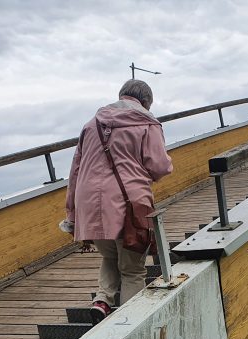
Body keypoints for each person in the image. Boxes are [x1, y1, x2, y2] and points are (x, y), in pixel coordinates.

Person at [62, 80, 173, 321]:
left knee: (110, 256)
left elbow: (75, 171)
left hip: (88, 202)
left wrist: (72, 214)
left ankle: (102, 301)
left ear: (121, 95)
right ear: (146, 102)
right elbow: (160, 167)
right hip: (128, 204)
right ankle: (126, 322)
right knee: (132, 269)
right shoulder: (146, 123)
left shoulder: (91, 125)